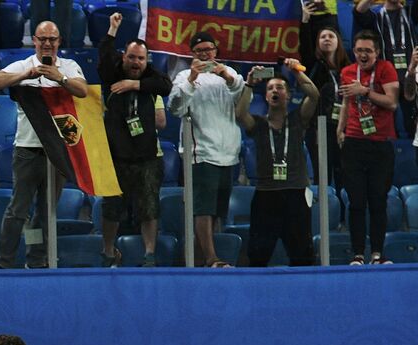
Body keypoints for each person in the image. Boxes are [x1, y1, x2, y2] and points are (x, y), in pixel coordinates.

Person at [0, 21, 87, 270]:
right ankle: (5, 263)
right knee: (18, 209)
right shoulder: (23, 65)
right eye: (42, 38)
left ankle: (36, 260)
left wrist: (59, 77)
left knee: (46, 213)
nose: (47, 43)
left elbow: (83, 91)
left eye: (52, 39)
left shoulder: (70, 66)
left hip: (58, 151)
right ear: (34, 40)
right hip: (27, 149)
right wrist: (25, 76)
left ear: (59, 41)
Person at [98, 13, 172, 267]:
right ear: (124, 56)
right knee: (112, 208)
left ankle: (149, 254)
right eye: (131, 57)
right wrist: (112, 29)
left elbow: (166, 85)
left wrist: (134, 85)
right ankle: (108, 252)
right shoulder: (112, 74)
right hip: (116, 157)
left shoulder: (152, 78)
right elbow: (103, 58)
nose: (136, 62)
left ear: (146, 60)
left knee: (149, 208)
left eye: (140, 58)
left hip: (147, 158)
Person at [168, 32, 246, 268]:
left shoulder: (228, 73)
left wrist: (227, 76)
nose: (205, 55)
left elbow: (242, 96)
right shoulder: (183, 76)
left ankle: (195, 261)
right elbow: (175, 107)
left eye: (209, 50)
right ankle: (212, 258)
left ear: (216, 51)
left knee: (216, 211)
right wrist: (192, 79)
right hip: (200, 152)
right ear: (192, 54)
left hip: (228, 152)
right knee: (203, 209)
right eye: (199, 51)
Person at [236, 60, 318, 267]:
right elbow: (239, 114)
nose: (275, 91)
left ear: (288, 95)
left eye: (280, 87)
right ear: (265, 96)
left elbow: (314, 95)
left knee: (303, 256)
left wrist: (297, 71)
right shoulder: (258, 124)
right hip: (266, 195)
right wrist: (249, 84)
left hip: (296, 193)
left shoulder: (298, 118)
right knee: (257, 255)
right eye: (270, 88)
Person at [338, 29, 399, 265]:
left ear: (377, 52)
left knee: (377, 200)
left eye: (368, 51)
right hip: (354, 142)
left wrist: (365, 91)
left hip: (380, 143)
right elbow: (346, 101)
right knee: (356, 201)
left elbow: (392, 103)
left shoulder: (386, 69)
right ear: (353, 51)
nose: (363, 55)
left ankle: (377, 253)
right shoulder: (347, 72)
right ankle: (357, 254)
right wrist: (340, 129)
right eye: (359, 50)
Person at [301, 19, 350, 187]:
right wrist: (306, 21)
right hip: (318, 128)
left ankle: (342, 212)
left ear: (339, 42)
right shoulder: (313, 65)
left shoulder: (348, 69)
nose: (327, 39)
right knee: (323, 175)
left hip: (343, 127)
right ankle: (323, 211)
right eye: (323, 37)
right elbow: (305, 46)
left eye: (331, 36)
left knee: (343, 174)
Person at [355, 0, 415, 135]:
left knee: (411, 124)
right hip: (385, 79)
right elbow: (359, 11)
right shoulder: (376, 15)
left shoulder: (410, 12)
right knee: (387, 125)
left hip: (410, 75)